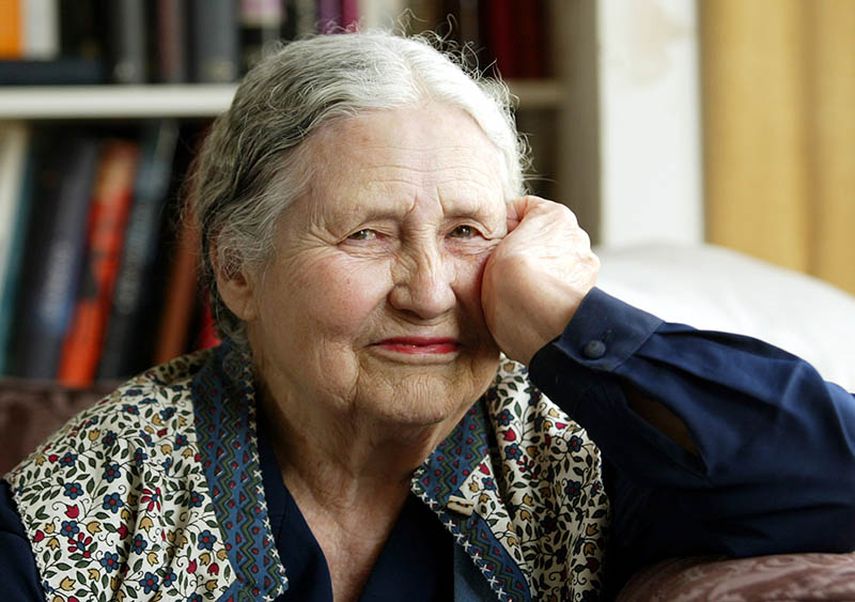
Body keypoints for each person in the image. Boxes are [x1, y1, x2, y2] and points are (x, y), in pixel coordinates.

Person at [2, 31, 855, 602]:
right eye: (367, 234)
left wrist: (569, 318)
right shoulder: (85, 505)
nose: (428, 290)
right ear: (237, 270)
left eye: (466, 233)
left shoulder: (579, 447)